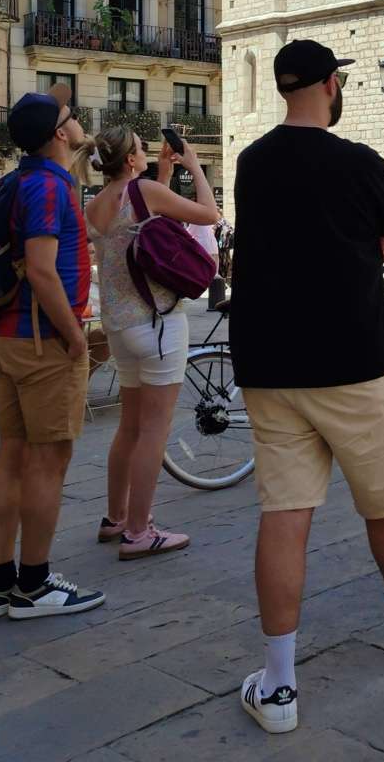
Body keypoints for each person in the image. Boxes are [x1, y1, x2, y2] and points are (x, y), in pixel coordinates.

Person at [229, 39, 384, 736]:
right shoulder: (359, 161)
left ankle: (277, 685)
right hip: (356, 357)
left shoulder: (250, 161)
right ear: (333, 85)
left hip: (270, 364)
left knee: (285, 515)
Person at [0, 84, 104, 622]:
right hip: (41, 339)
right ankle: (34, 584)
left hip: (6, 334)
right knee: (48, 461)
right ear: (58, 133)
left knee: (11, 455)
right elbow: (41, 268)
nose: (78, 122)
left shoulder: (21, 180)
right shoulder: (50, 188)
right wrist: (75, 337)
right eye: (72, 117)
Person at [86, 125, 219, 559]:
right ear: (129, 160)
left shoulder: (97, 204)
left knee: (129, 426)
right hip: (157, 323)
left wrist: (161, 174)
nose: (146, 152)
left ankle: (116, 517)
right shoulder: (141, 190)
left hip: (120, 327)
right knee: (153, 432)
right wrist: (194, 166)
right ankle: (140, 531)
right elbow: (209, 214)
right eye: (141, 149)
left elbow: (144, 225)